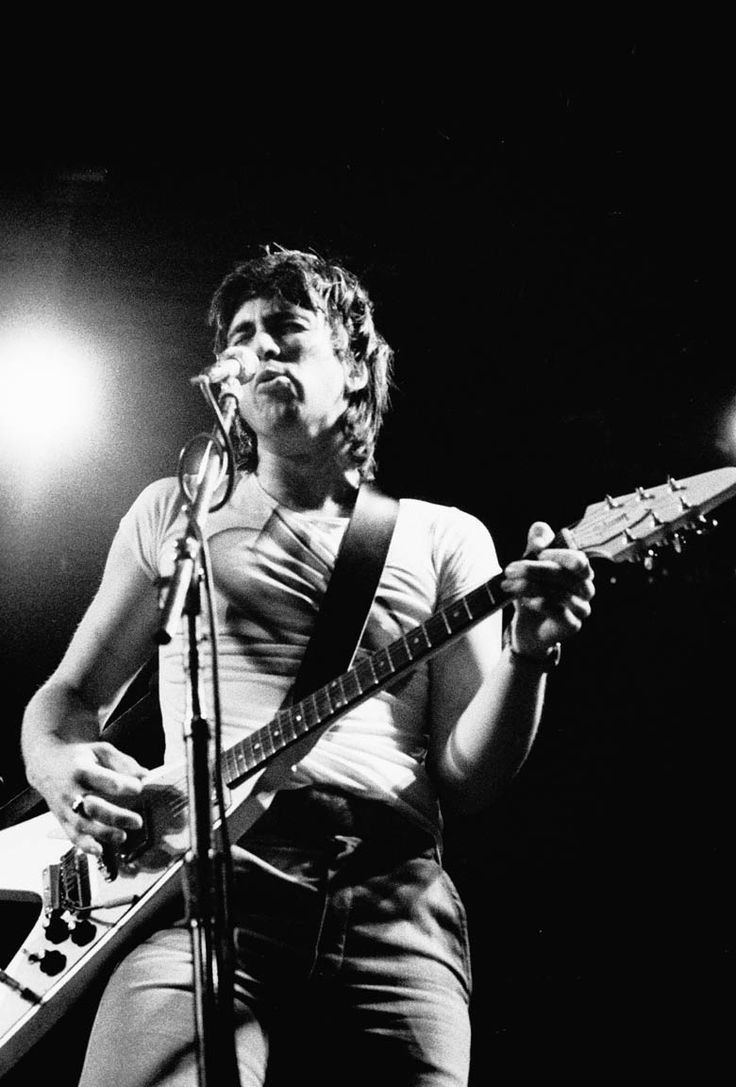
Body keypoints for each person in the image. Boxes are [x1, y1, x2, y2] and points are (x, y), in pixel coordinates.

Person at [21, 248, 595, 1086]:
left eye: (287, 330)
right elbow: (68, 696)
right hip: (195, 890)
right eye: (243, 335)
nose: (260, 348)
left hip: (393, 898)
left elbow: (466, 774)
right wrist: (57, 763)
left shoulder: (444, 536)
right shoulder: (175, 513)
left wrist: (530, 653)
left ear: (357, 371)